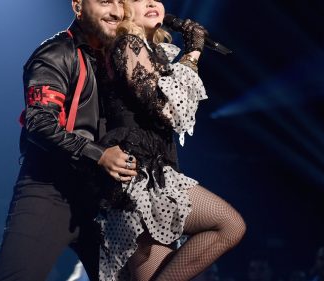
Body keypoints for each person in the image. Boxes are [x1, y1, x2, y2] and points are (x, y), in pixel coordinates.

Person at [94, 0, 247, 280]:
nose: (152, 2)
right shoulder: (129, 43)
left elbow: (178, 110)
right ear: (124, 9)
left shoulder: (152, 52)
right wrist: (192, 55)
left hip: (152, 168)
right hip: (140, 172)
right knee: (230, 224)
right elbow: (165, 109)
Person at [0, 1, 135, 281]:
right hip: (50, 191)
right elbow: (39, 123)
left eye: (121, 1)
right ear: (78, 5)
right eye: (105, 1)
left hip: (101, 198)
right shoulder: (56, 52)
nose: (116, 11)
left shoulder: (117, 59)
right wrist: (99, 154)